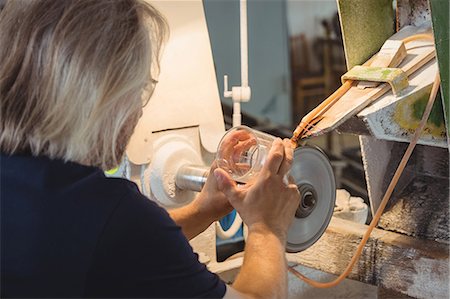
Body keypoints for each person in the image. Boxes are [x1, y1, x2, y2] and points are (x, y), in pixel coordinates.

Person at [0, 0, 301, 298]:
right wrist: (266, 228)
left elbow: (115, 249)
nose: (139, 112)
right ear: (102, 96)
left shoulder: (30, 189)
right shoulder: (115, 215)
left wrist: (203, 209)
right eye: (139, 90)